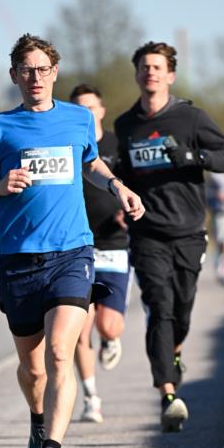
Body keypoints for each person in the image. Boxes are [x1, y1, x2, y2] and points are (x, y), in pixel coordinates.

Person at [0, 34, 144, 448]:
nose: (35, 77)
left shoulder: (78, 119)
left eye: (43, 69)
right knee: (34, 369)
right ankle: (37, 421)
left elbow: (91, 164)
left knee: (62, 351)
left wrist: (117, 186)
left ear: (55, 73)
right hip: (18, 258)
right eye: (27, 70)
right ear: (14, 75)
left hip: (72, 252)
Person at [114, 41, 224, 431]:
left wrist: (195, 157)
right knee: (160, 306)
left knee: (182, 310)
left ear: (169, 75)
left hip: (188, 231)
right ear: (137, 75)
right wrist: (119, 197)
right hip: (146, 232)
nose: (150, 72)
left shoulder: (191, 118)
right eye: (144, 67)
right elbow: (122, 174)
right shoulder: (125, 125)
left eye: (157, 67)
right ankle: (168, 393)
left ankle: (175, 353)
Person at [70, 84, 130, 424]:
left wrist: (127, 211)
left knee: (108, 326)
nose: (86, 113)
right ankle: (91, 397)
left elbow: (134, 184)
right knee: (81, 329)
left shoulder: (116, 145)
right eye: (79, 108)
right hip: (78, 246)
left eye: (91, 107)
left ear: (102, 111)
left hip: (115, 243)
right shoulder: (67, 145)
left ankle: (110, 340)